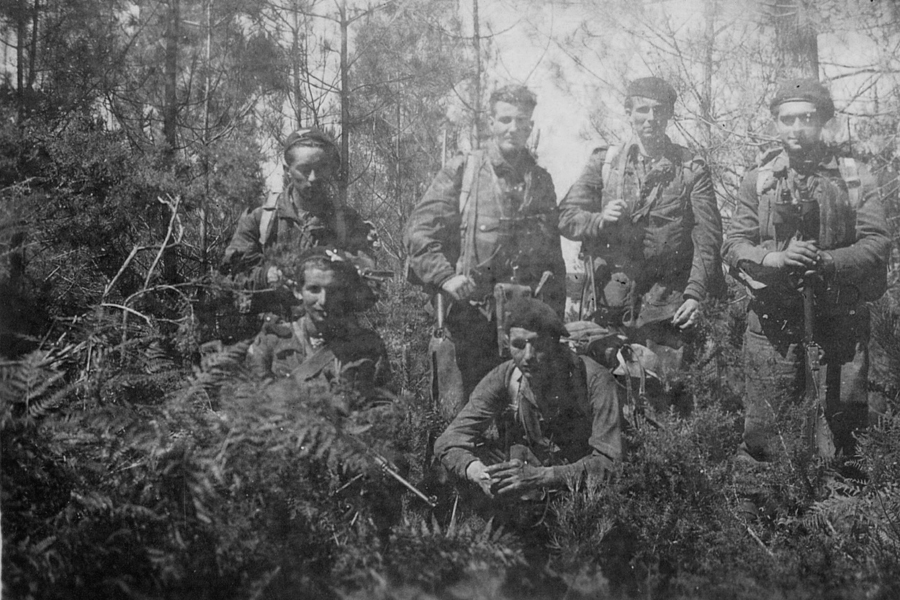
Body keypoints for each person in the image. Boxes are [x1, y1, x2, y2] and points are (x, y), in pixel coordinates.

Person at [723, 78, 891, 465]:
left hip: (839, 324)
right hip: (773, 326)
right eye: (787, 119)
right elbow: (734, 244)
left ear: (824, 121)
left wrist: (829, 261)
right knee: (768, 432)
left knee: (845, 429)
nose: (796, 128)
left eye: (806, 118)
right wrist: (774, 260)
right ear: (775, 124)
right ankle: (766, 517)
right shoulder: (758, 181)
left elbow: (877, 242)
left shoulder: (853, 176)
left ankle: (838, 515)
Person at [558, 76, 724, 412]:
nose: (651, 119)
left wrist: (694, 294)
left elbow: (708, 237)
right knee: (606, 398)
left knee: (664, 397)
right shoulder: (605, 163)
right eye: (643, 110)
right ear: (629, 112)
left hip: (665, 306)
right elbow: (565, 217)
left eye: (659, 111)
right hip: (608, 304)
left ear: (670, 115)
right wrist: (599, 219)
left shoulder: (691, 169)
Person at [404, 84, 567, 418]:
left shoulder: (541, 181)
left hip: (521, 332)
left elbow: (554, 258)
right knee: (459, 419)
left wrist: (554, 324)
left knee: (522, 420)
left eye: (521, 122)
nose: (512, 128)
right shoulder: (464, 170)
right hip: (469, 322)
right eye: (505, 119)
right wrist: (445, 277)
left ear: (530, 127)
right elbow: (419, 230)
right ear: (491, 123)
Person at [433, 297, 622, 503]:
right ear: (508, 343)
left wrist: (542, 477)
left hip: (582, 491)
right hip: (533, 482)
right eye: (518, 345)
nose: (528, 356)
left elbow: (610, 463)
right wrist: (479, 472)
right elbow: (448, 440)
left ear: (555, 344)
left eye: (538, 345)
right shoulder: (506, 375)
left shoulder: (595, 380)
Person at [221, 128, 377, 317]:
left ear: (331, 170)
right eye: (304, 169)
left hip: (331, 334)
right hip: (272, 334)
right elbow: (230, 279)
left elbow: (370, 289)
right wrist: (266, 277)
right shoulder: (260, 219)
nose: (313, 178)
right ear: (288, 171)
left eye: (321, 168)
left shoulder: (348, 221)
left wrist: (343, 273)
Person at [247, 248, 391, 399]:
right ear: (298, 291)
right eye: (314, 289)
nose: (323, 300)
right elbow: (248, 405)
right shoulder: (272, 341)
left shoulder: (367, 346)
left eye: (333, 290)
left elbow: (384, 407)